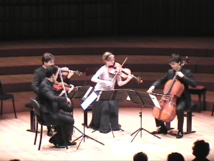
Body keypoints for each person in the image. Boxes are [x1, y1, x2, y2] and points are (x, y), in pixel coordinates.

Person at [147, 53, 197, 138]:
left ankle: (180, 131)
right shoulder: (170, 72)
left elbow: (194, 84)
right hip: (169, 98)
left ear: (179, 63)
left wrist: (183, 77)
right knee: (156, 106)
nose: (172, 66)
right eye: (171, 64)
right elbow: (161, 80)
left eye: (173, 64)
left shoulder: (187, 72)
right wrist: (153, 86)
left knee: (179, 109)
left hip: (183, 98)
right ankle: (162, 127)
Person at [89, 51, 132, 133]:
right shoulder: (103, 69)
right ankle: (103, 126)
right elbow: (93, 79)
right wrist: (104, 82)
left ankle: (114, 125)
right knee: (105, 104)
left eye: (113, 59)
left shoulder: (116, 70)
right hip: (100, 91)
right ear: (106, 61)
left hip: (110, 92)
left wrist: (128, 79)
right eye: (111, 60)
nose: (113, 62)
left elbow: (119, 83)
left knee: (114, 102)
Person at [38, 65, 76, 148]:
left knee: (69, 115)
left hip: (52, 110)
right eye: (57, 74)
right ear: (53, 75)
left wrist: (63, 93)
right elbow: (51, 98)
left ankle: (65, 140)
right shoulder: (44, 86)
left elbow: (54, 95)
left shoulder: (49, 83)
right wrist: (65, 99)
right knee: (69, 120)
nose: (58, 76)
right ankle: (56, 140)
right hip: (48, 114)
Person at [32, 52, 55, 136]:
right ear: (45, 62)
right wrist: (43, 93)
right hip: (43, 96)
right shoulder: (38, 72)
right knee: (49, 106)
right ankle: (49, 127)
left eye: (53, 62)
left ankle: (59, 124)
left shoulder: (53, 70)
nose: (53, 64)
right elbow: (34, 85)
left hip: (52, 94)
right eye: (51, 62)